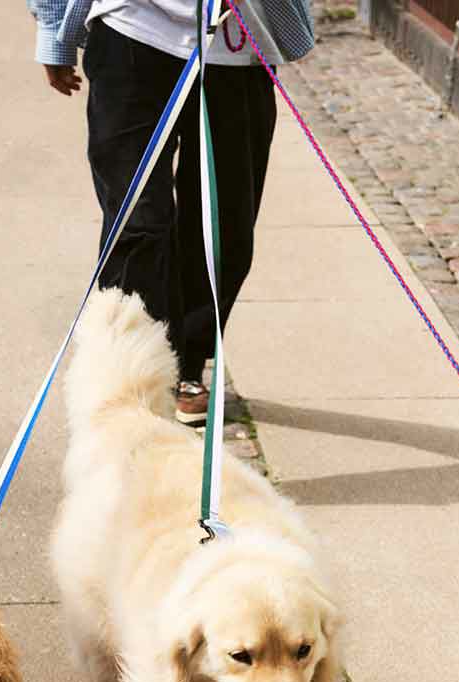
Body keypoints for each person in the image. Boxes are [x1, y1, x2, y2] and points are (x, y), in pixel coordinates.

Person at [27, 0, 314, 423]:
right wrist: (54, 33)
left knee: (224, 228)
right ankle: (135, 378)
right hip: (132, 31)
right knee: (138, 223)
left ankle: (186, 365)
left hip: (236, 48)